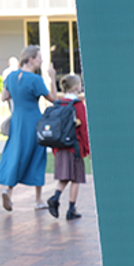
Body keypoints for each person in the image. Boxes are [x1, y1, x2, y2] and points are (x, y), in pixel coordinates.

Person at [0, 45, 56, 211]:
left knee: (16, 154)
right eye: (39, 57)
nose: (41, 61)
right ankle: (38, 200)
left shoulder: (11, 76)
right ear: (31, 59)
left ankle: (8, 190)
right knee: (37, 157)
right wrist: (52, 78)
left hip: (17, 121)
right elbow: (53, 99)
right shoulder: (35, 79)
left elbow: (4, 96)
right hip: (33, 122)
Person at [46, 74, 89, 221]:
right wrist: (87, 149)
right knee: (76, 178)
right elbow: (83, 129)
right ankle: (71, 209)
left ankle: (55, 197)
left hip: (60, 147)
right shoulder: (78, 105)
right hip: (74, 147)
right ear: (77, 87)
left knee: (65, 175)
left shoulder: (59, 103)